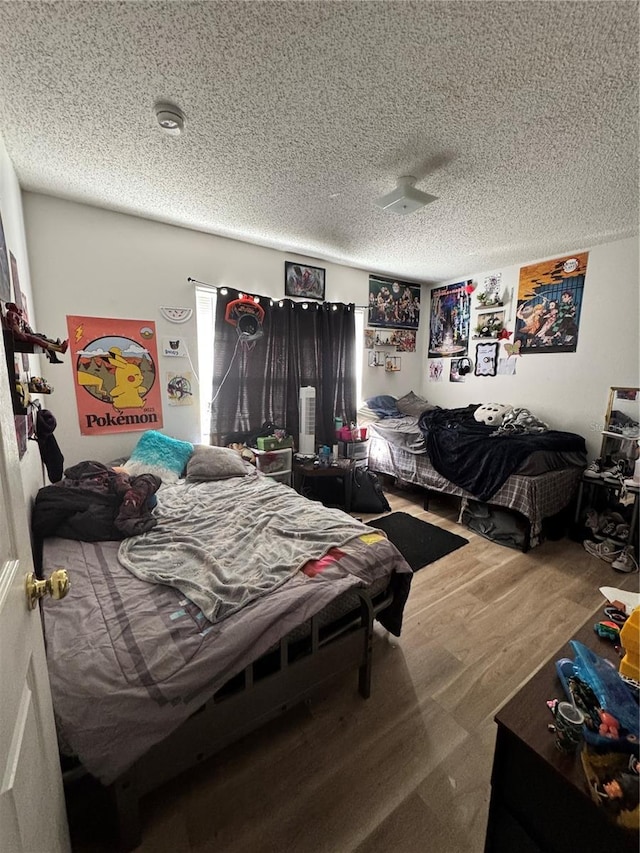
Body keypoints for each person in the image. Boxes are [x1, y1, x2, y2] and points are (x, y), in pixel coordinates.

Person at [2, 302, 68, 362]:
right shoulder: (11, 314)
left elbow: (27, 329)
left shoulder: (20, 318)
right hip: (20, 336)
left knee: (41, 337)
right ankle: (58, 350)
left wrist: (32, 334)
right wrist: (20, 333)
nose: (21, 311)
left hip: (24, 334)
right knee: (38, 341)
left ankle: (57, 348)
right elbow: (14, 325)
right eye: (18, 309)